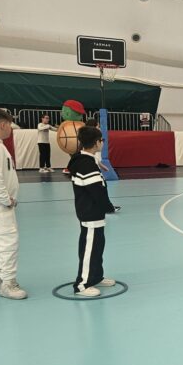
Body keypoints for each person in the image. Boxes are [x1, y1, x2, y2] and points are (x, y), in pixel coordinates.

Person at [68, 126, 118, 297]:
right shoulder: (85, 164)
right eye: (101, 140)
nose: (102, 142)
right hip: (90, 213)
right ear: (97, 142)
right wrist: (109, 207)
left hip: (95, 214)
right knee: (89, 248)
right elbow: (97, 191)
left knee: (98, 245)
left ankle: (96, 276)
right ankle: (82, 285)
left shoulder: (86, 160)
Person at [0, 108, 27, 299]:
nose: (10, 129)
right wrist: (5, 199)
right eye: (10, 125)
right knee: (7, 241)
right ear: (3, 125)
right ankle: (8, 283)